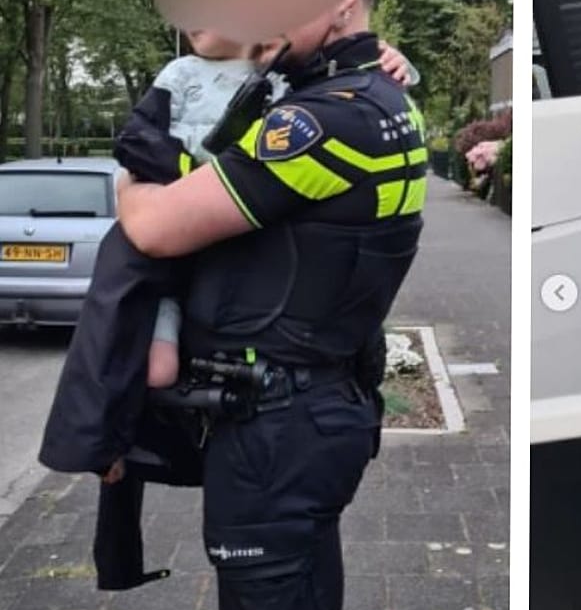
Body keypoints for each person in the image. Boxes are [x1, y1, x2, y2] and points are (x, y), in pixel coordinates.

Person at [105, 0, 425, 610]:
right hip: (309, 414)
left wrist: (129, 172)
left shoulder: (324, 122)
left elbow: (155, 228)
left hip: (280, 430)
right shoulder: (373, 97)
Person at [144, 29, 418, 389]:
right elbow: (141, 141)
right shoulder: (179, 75)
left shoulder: (289, 75)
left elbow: (360, 76)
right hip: (199, 230)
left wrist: (391, 61)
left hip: (240, 249)